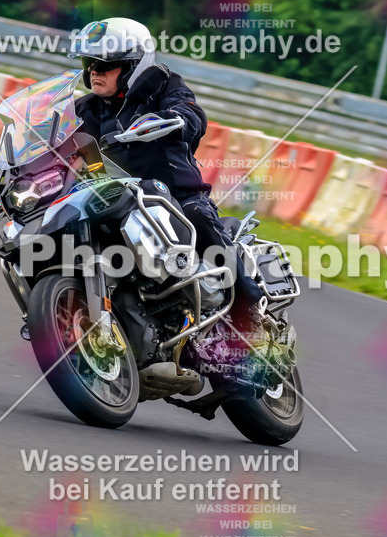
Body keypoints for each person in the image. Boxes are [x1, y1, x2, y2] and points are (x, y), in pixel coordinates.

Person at [66, 18, 267, 337]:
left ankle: (248, 308)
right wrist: (3, 164)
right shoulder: (84, 109)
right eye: (90, 63)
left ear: (133, 65)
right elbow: (47, 140)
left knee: (196, 216)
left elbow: (191, 113)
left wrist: (176, 118)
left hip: (175, 198)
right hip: (115, 201)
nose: (94, 71)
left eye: (105, 64)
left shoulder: (162, 85)